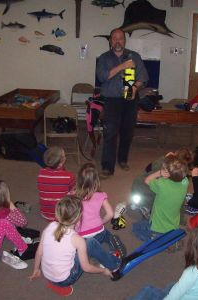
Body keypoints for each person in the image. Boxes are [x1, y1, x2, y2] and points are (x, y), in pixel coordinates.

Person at [29, 195, 120, 296]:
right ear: (79, 217)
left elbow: (39, 252)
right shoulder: (77, 239)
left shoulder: (50, 226)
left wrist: (36, 270)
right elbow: (86, 268)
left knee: (68, 250)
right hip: (66, 279)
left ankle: (54, 284)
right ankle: (115, 264)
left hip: (47, 274)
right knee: (91, 242)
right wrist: (103, 271)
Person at [96, 28, 149, 178]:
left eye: (121, 38)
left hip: (130, 100)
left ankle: (123, 159)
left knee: (127, 132)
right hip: (112, 100)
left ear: (124, 41)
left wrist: (134, 87)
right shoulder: (104, 58)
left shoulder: (134, 56)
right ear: (110, 41)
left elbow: (143, 78)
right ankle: (107, 167)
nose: (118, 41)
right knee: (110, 133)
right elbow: (102, 77)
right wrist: (123, 66)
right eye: (114, 38)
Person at [132, 154, 188, 241]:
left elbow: (147, 180)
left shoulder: (161, 184)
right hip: (173, 224)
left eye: (163, 169)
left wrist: (159, 173)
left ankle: (154, 237)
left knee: (135, 228)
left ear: (167, 174)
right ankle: (168, 238)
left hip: (157, 226)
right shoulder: (185, 182)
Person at [74, 163, 126, 257]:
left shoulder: (72, 195)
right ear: (97, 181)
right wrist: (101, 222)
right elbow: (110, 214)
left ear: (78, 180)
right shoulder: (101, 195)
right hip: (98, 231)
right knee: (106, 233)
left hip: (82, 236)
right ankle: (113, 241)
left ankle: (88, 251)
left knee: (77, 241)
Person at [37, 146, 75, 221]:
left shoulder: (41, 174)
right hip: (62, 215)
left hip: (46, 214)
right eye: (64, 156)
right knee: (76, 192)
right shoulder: (69, 176)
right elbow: (72, 189)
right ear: (62, 161)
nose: (66, 157)